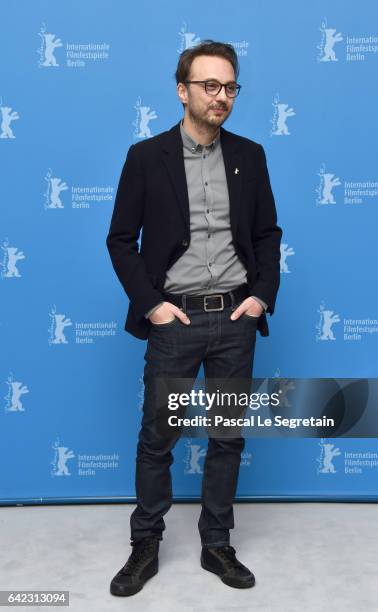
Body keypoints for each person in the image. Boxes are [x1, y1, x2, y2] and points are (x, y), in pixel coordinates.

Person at [106, 39, 282, 596]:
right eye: (209, 85)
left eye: (230, 87)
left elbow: (266, 235)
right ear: (182, 90)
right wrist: (152, 305)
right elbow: (119, 240)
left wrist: (259, 298)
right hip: (174, 321)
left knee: (227, 437)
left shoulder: (249, 155)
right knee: (158, 437)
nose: (221, 96)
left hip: (234, 319)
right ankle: (145, 545)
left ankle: (216, 543)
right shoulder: (145, 156)